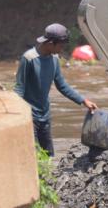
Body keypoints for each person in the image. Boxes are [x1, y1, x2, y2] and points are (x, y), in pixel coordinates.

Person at [14, 23, 98, 156]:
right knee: (34, 155)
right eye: (60, 45)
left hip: (45, 115)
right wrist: (16, 115)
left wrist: (83, 100)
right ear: (50, 43)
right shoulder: (29, 59)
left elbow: (62, 85)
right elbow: (19, 89)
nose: (62, 49)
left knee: (49, 156)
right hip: (30, 116)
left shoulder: (54, 59)